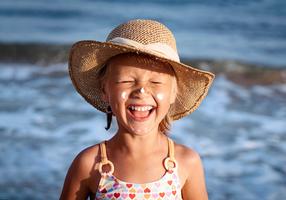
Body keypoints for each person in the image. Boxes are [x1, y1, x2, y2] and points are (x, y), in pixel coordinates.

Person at [60, 19, 215, 200]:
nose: (141, 91)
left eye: (156, 82)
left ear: (173, 93)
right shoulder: (89, 164)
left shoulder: (186, 162)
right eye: (126, 81)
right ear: (105, 90)